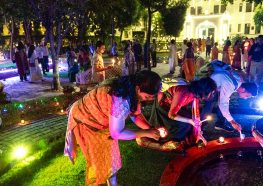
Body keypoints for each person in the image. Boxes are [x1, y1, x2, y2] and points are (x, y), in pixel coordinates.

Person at [64, 70, 162, 185]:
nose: (150, 99)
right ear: (139, 88)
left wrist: (151, 129)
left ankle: (113, 184)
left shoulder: (131, 88)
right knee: (98, 164)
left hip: (102, 123)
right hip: (87, 122)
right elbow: (117, 133)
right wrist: (145, 133)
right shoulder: (121, 99)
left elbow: (135, 114)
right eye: (148, 96)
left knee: (112, 158)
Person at [149, 77, 217, 145]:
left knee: (189, 120)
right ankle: (171, 140)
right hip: (163, 106)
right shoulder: (183, 92)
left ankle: (185, 138)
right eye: (212, 93)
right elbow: (171, 114)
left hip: (172, 106)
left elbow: (196, 115)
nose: (212, 96)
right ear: (204, 91)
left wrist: (199, 133)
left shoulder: (195, 94)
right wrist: (189, 121)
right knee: (184, 125)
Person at [201, 62, 258, 132]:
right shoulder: (230, 85)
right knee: (210, 103)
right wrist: (233, 122)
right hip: (205, 83)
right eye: (247, 96)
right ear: (243, 89)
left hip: (216, 84)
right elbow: (223, 103)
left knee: (223, 101)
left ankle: (219, 123)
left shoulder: (239, 81)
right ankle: (200, 125)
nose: (245, 98)